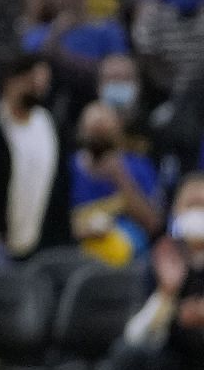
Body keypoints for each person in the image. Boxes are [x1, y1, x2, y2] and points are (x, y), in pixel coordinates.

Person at [0, 53, 71, 259]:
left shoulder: (53, 129)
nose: (39, 87)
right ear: (11, 81)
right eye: (32, 80)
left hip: (46, 244)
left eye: (44, 81)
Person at [118, 173, 204, 370]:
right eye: (192, 205)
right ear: (176, 210)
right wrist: (166, 293)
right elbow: (135, 336)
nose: (199, 213)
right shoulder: (160, 259)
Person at [67, 100, 162, 265]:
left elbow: (153, 225)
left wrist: (121, 178)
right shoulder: (68, 169)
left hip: (132, 259)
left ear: (118, 131)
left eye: (104, 133)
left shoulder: (138, 165)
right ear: (81, 132)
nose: (98, 141)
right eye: (93, 133)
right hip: (77, 255)